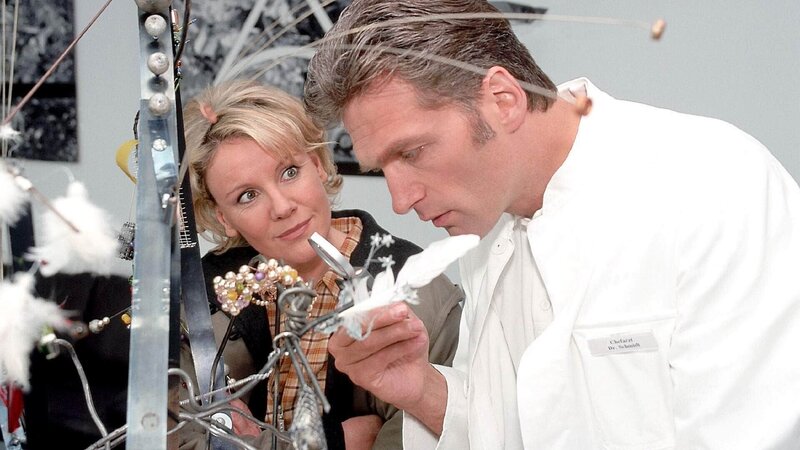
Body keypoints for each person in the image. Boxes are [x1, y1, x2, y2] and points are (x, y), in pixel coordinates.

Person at [302, 0, 800, 448]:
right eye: (382, 169)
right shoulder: (488, 223)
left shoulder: (713, 183)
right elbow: (516, 424)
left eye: (412, 152)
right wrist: (419, 388)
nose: (400, 199)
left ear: (503, 99)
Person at [179, 79, 463, 449]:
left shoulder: (415, 289)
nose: (282, 207)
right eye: (247, 195)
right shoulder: (203, 298)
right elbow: (177, 439)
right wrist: (340, 442)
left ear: (317, 165)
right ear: (224, 217)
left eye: (289, 172)